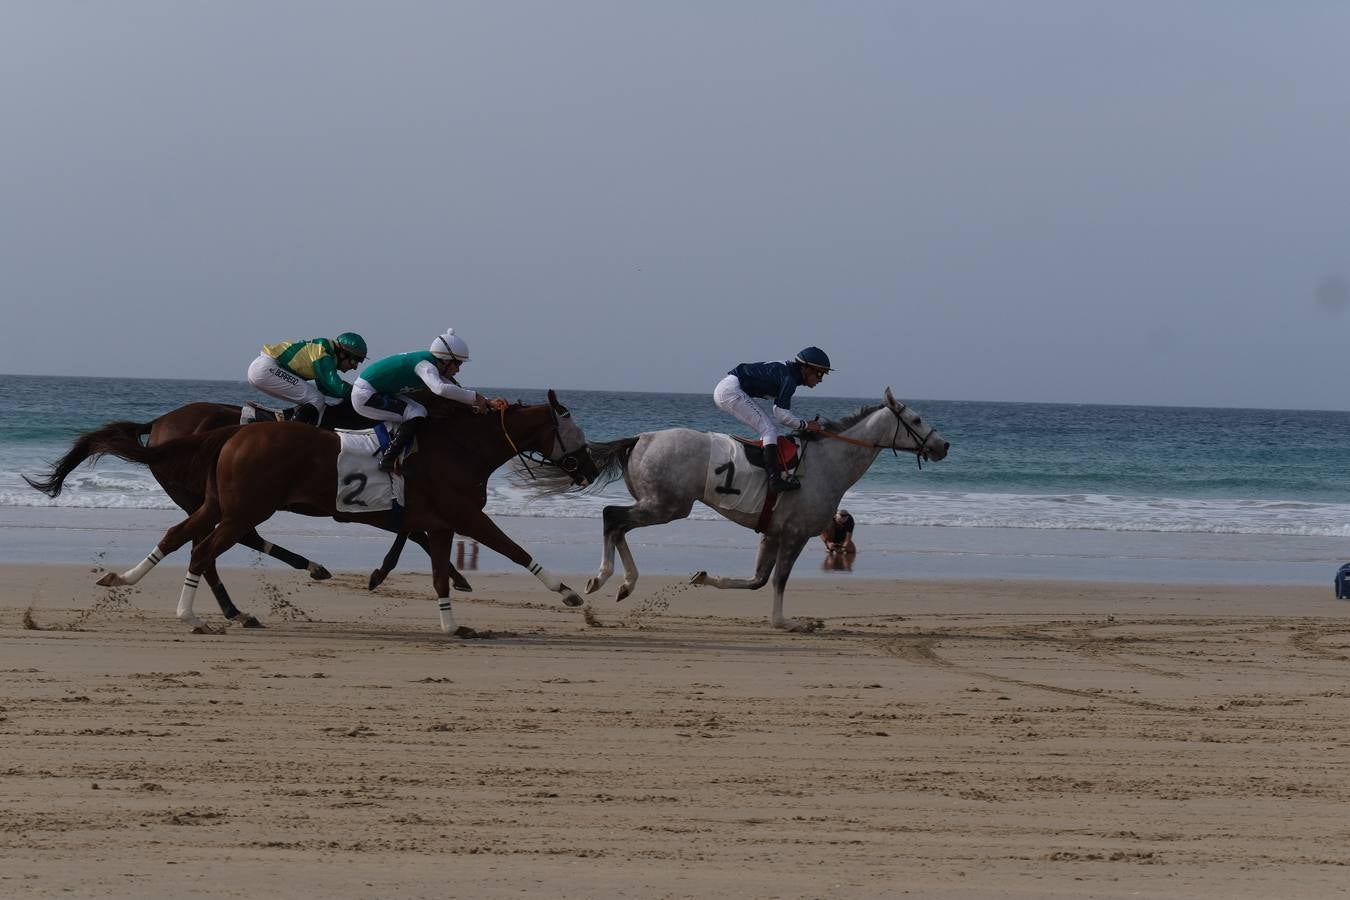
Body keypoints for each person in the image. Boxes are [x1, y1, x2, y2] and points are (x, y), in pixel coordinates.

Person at [351, 328, 506, 472]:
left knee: (418, 410)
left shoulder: (433, 364)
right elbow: (440, 389)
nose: (458, 369)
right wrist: (475, 398)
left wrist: (488, 401)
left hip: (380, 391)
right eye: (457, 363)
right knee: (416, 413)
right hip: (365, 395)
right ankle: (388, 460)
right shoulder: (426, 366)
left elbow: (456, 389)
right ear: (445, 360)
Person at [713, 346, 832, 492]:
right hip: (730, 391)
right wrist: (806, 425)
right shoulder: (789, 379)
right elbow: (782, 415)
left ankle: (770, 468)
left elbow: (779, 414)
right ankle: (774, 480)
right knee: (768, 429)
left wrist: (804, 425)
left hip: (729, 389)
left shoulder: (790, 373)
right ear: (806, 369)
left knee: (772, 428)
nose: (820, 380)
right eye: (819, 374)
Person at [246, 332, 367, 425]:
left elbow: (325, 388)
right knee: (316, 399)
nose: (355, 367)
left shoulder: (325, 353)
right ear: (343, 354)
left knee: (315, 400)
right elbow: (337, 387)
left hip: (264, 368)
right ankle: (291, 432)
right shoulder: (323, 354)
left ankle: (258, 415)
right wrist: (362, 394)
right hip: (266, 368)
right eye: (355, 361)